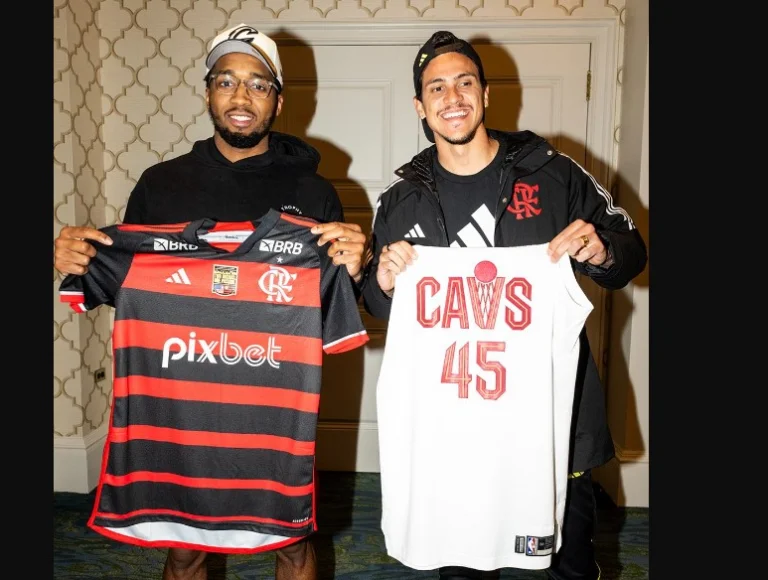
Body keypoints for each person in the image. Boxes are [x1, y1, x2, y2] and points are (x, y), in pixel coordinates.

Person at [53, 23, 368, 580]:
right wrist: (77, 259)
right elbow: (122, 283)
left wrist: (355, 263)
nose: (241, 97)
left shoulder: (313, 191)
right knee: (186, 547)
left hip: (274, 409)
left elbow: (333, 299)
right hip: (181, 411)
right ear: (207, 92)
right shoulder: (161, 184)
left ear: (278, 99)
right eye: (227, 80)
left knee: (292, 544)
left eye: (258, 84)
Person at [361, 30, 647, 580]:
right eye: (437, 87)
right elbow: (377, 306)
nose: (453, 97)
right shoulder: (400, 202)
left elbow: (631, 250)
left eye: (465, 82)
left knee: (564, 567)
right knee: (465, 570)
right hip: (455, 432)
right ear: (420, 106)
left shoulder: (554, 173)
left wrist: (601, 247)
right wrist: (386, 281)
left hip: (554, 426)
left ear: (486, 94)